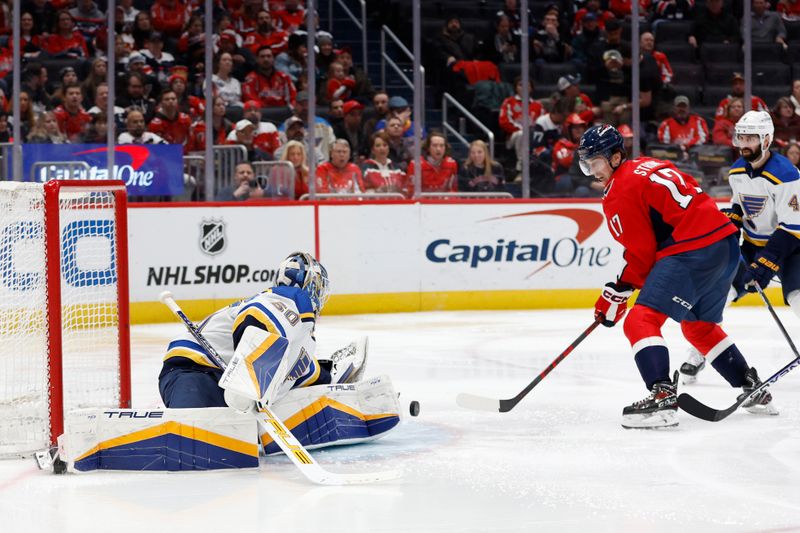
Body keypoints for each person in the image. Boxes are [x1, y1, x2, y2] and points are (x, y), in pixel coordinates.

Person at [577, 123, 776, 428]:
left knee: (640, 319)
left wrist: (619, 292)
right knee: (699, 327)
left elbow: (642, 256)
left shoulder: (619, 190)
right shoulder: (648, 164)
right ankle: (750, 385)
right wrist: (621, 288)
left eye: (596, 162)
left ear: (615, 157)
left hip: (693, 249)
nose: (592, 171)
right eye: (586, 163)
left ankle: (661, 395)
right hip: (724, 245)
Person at [158, 252, 399, 458]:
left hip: (221, 385)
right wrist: (249, 378)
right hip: (193, 372)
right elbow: (253, 319)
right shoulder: (290, 298)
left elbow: (301, 373)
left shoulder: (301, 337)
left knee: (220, 442)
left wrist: (330, 376)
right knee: (190, 443)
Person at [679, 111, 800, 391]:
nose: (744, 143)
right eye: (741, 137)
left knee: (796, 296)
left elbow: (793, 227)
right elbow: (739, 205)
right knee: (719, 294)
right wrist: (732, 220)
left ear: (767, 139)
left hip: (791, 246)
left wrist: (764, 264)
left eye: (751, 138)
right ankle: (701, 351)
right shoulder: (736, 171)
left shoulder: (786, 174)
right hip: (753, 246)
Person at [499, 77, 544, 172]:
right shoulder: (509, 102)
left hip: (532, 137)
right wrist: (523, 130)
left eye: (527, 85)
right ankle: (521, 168)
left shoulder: (538, 105)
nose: (523, 88)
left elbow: (543, 123)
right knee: (522, 134)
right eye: (520, 85)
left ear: (531, 88)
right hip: (514, 137)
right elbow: (503, 122)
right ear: (515, 88)